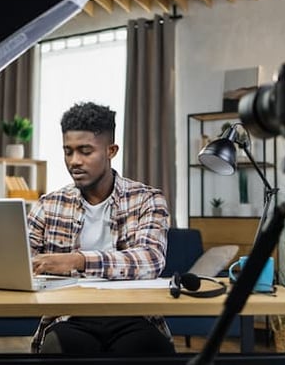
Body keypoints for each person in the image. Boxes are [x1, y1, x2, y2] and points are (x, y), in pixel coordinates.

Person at [28, 101, 175, 354]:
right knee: (57, 348)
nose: (74, 161)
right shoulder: (47, 205)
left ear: (111, 150)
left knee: (150, 350)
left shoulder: (147, 199)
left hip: (134, 316)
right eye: (68, 151)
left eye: (85, 151)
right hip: (69, 317)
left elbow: (150, 260)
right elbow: (22, 264)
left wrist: (78, 261)